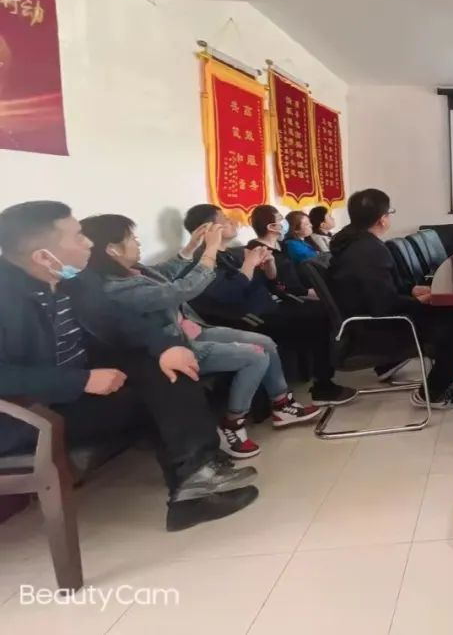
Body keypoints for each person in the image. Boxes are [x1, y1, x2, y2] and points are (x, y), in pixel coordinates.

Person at [0, 201, 258, 531]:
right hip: (30, 415)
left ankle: (195, 481)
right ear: (43, 256)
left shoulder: (74, 280)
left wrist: (165, 347)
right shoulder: (6, 298)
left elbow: (119, 322)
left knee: (169, 366)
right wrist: (80, 381)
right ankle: (193, 484)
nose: (88, 243)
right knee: (160, 393)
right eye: (77, 236)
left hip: (75, 392)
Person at [81, 214, 319, 459]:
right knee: (255, 356)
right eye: (131, 238)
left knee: (266, 343)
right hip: (176, 345)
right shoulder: (117, 287)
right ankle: (232, 423)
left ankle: (281, 404)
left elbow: (166, 272)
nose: (138, 242)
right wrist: (210, 250)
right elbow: (181, 290)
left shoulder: (135, 270)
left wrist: (191, 246)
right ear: (112, 249)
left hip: (192, 328)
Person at [181, 204, 358, 407]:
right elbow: (230, 294)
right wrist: (249, 264)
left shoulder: (231, 254)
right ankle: (322, 387)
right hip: (247, 317)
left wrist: (269, 267)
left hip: (268, 307)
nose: (233, 222)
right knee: (316, 320)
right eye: (225, 219)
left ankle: (326, 378)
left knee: (322, 312)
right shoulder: (204, 261)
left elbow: (272, 284)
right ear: (207, 229)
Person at [329, 189, 453, 409]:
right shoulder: (370, 251)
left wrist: (412, 290)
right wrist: (420, 302)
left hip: (364, 320)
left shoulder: (353, 242)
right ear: (382, 219)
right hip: (376, 328)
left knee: (450, 310)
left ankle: (434, 380)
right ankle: (434, 392)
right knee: (452, 321)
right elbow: (384, 304)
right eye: (389, 213)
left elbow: (381, 288)